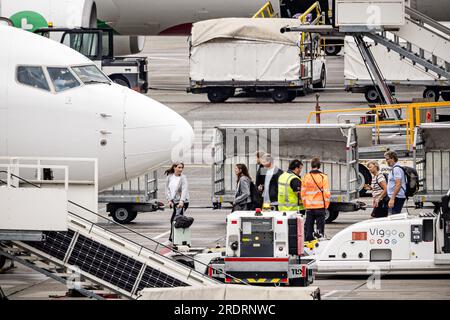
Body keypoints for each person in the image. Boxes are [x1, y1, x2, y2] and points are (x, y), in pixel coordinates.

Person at [301, 157, 330, 241]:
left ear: (311, 166)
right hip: (320, 207)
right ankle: (319, 243)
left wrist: (305, 205)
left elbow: (303, 193)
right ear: (319, 166)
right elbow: (326, 193)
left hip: (309, 207)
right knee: (320, 229)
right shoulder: (323, 177)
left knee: (308, 229)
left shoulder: (306, 177)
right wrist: (326, 205)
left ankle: (308, 244)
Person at [165, 162, 189, 242]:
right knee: (175, 220)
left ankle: (173, 239)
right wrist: (169, 200)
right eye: (179, 167)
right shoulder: (169, 177)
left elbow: (184, 190)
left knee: (174, 219)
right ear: (174, 167)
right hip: (174, 201)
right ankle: (176, 238)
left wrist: (181, 201)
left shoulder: (183, 178)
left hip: (182, 202)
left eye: (182, 168)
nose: (181, 169)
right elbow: (167, 189)